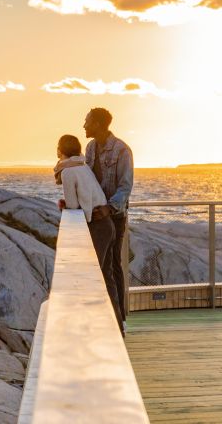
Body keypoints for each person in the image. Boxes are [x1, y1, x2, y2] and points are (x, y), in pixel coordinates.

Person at [55, 134, 123, 332]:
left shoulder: (68, 172)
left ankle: (93, 328)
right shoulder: (83, 166)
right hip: (107, 225)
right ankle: (117, 327)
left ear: (61, 150)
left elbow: (75, 205)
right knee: (107, 277)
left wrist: (65, 207)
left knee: (91, 280)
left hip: (97, 227)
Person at [84, 107, 133, 328]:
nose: (84, 125)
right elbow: (86, 179)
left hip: (114, 216)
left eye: (87, 121)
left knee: (112, 264)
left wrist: (109, 208)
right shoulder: (91, 147)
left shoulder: (122, 150)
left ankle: (118, 319)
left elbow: (125, 186)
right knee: (99, 266)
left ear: (98, 124)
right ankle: (105, 316)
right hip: (96, 217)